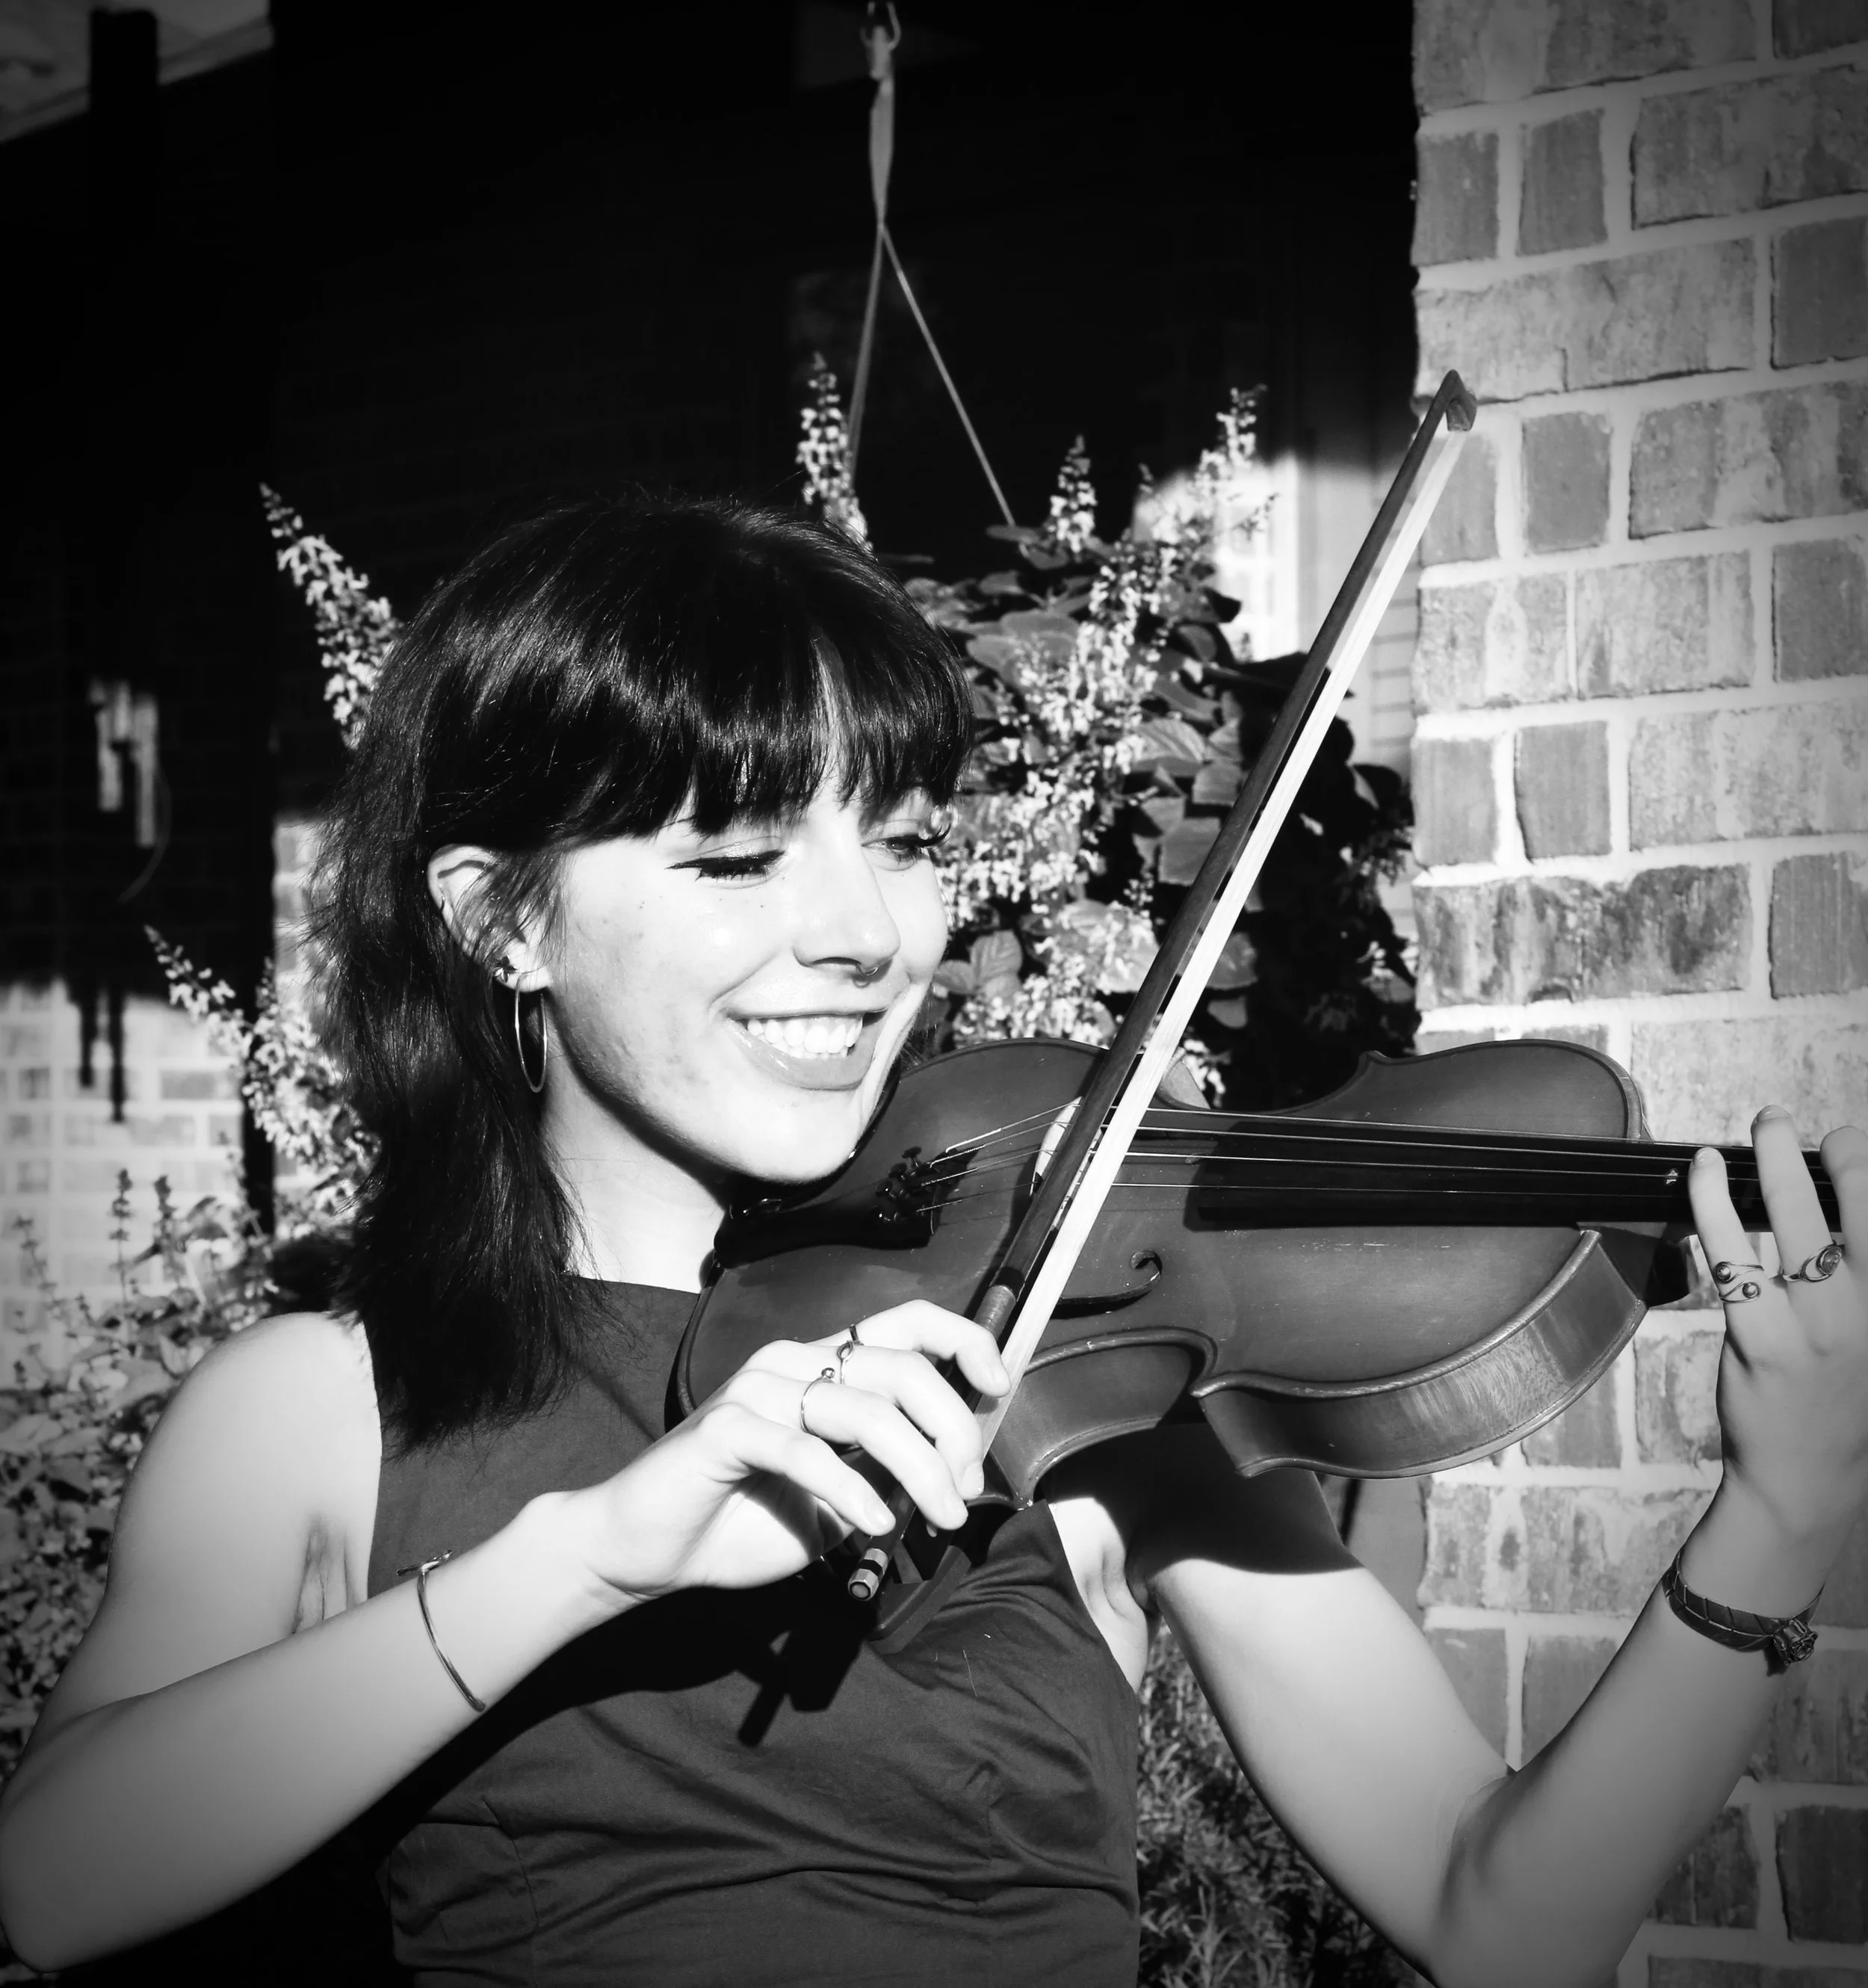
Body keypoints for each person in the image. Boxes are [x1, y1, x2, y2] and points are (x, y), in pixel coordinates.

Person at [0, 496, 1861, 1988]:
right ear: (502, 925)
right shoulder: (330, 1403)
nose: (863, 935)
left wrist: (1774, 1515)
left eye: (895, 840)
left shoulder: (1077, 1386)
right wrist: (589, 1559)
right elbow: (55, 1879)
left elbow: (1502, 1917)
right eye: (732, 862)